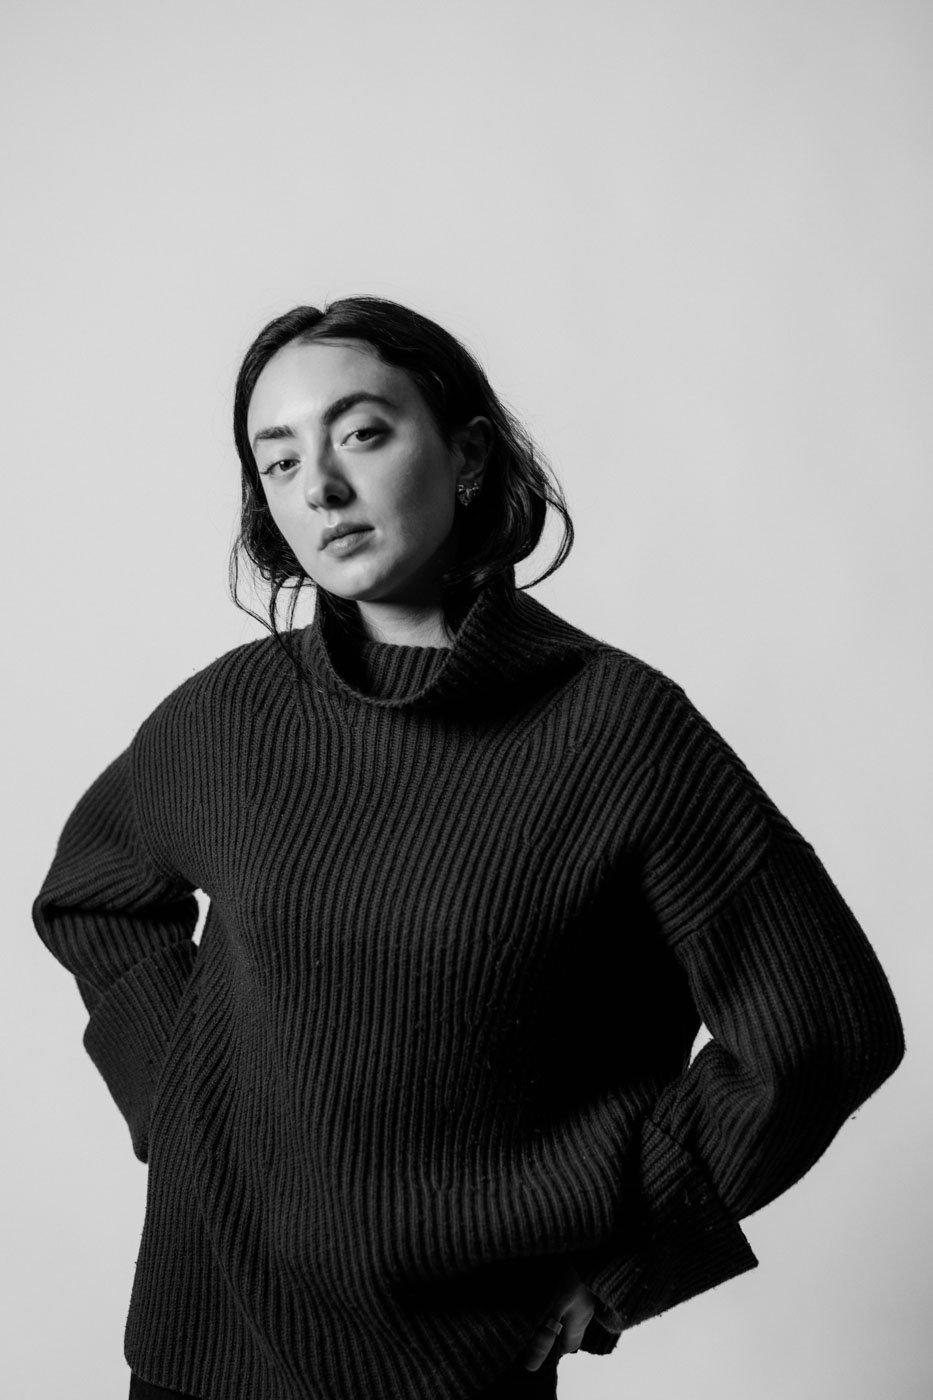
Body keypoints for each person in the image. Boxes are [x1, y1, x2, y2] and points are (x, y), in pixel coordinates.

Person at [31, 295, 905, 1400]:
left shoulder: (614, 725)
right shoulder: (236, 714)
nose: (322, 487)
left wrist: (633, 1252)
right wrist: (181, 1108)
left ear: (469, 453)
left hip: (458, 1366)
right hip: (199, 1353)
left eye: (362, 432)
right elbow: (96, 895)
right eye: (279, 458)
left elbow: (823, 1025)